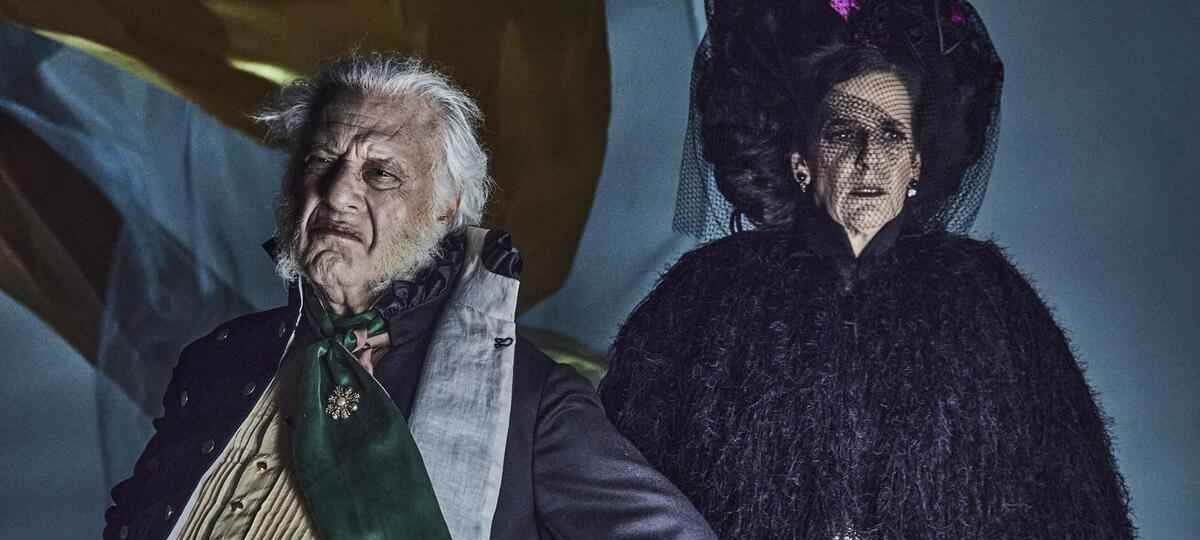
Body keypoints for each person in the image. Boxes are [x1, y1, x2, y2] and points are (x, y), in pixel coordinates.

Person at [103, 53, 716, 540]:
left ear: (446, 209)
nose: (338, 192)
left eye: (381, 173)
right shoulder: (222, 357)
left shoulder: (527, 400)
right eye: (320, 161)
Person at [600, 1, 1135, 539]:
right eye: (841, 132)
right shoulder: (707, 294)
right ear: (800, 161)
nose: (868, 158)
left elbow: (1070, 501)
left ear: (917, 164)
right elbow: (628, 486)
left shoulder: (991, 300)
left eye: (891, 135)